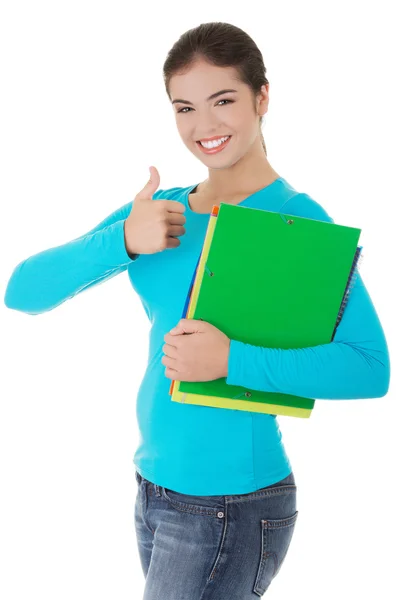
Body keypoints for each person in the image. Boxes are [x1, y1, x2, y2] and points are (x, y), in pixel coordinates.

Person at [4, 21, 390, 600]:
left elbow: (368, 367)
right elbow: (22, 292)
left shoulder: (299, 222)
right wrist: (123, 241)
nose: (204, 126)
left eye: (224, 100)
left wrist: (231, 359)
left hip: (229, 505)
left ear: (263, 98)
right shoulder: (161, 213)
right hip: (154, 488)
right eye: (185, 107)